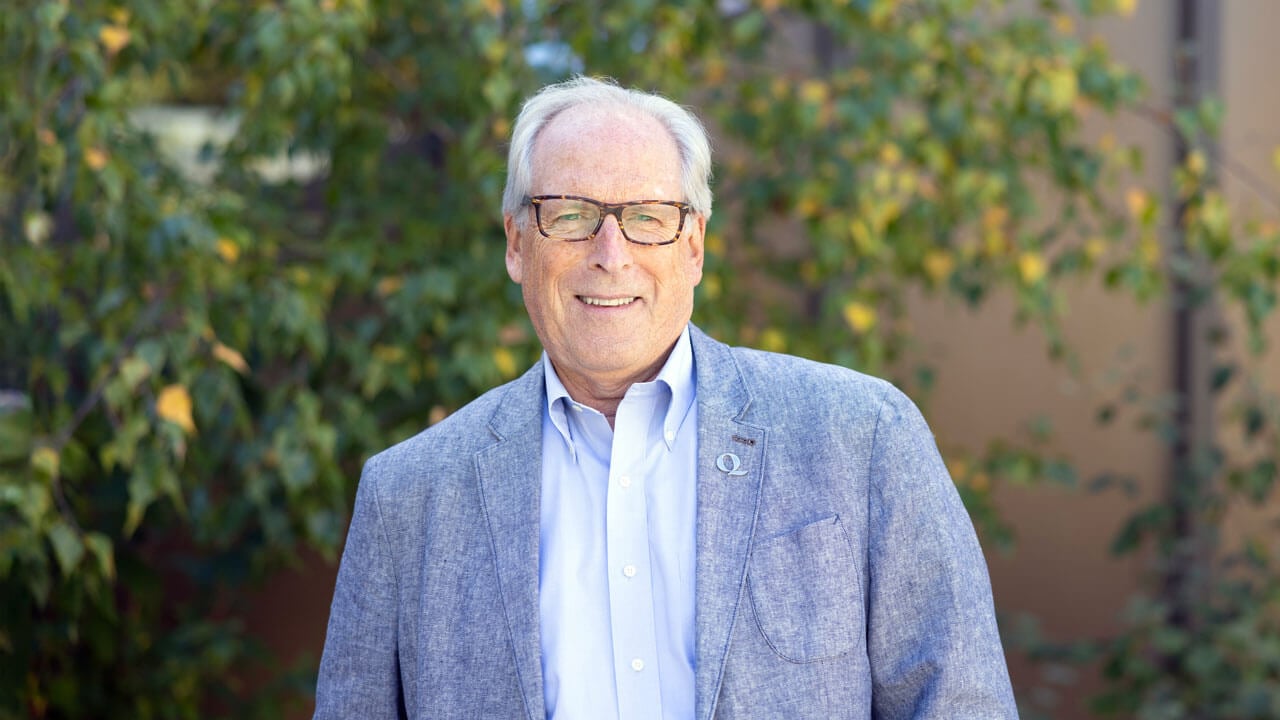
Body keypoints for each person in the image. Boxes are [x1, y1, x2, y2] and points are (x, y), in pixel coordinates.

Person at [315, 76, 1018, 719]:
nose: (611, 253)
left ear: (695, 246)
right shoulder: (408, 497)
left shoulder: (861, 436)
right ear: (516, 242)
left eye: (648, 217)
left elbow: (959, 704)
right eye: (570, 214)